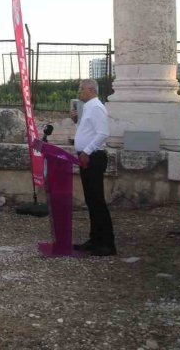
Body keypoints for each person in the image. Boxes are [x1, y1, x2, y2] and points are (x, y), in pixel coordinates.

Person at [70, 79, 116, 257]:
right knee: (91, 200)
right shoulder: (88, 107)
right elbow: (88, 131)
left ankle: (107, 243)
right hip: (86, 157)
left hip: (93, 158)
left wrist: (87, 151)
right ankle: (95, 239)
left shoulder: (96, 107)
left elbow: (103, 133)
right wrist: (76, 121)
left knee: (97, 200)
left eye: (81, 89)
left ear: (91, 90)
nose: (79, 92)